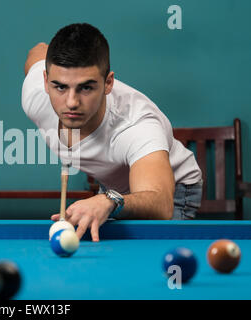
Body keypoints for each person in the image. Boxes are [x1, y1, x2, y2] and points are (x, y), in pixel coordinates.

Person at [21, 23, 202, 241]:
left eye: (86, 87)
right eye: (60, 86)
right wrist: (110, 197)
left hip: (169, 187)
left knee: (148, 260)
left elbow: (161, 205)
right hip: (114, 184)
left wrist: (109, 200)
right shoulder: (36, 97)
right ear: (45, 80)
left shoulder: (136, 125)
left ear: (108, 83)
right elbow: (39, 50)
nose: (71, 102)